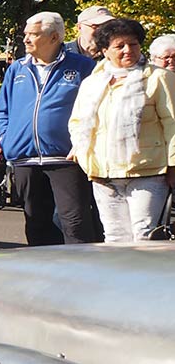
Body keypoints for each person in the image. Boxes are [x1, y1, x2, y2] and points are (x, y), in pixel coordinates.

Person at [0, 11, 100, 245]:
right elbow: (2, 110)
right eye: (25, 34)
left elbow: (96, 110)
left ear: (54, 37)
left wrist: (81, 144)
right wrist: (8, 139)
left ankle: (83, 276)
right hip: (24, 158)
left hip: (66, 158)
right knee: (36, 223)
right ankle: (44, 277)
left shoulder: (83, 67)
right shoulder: (17, 68)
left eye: (33, 34)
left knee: (75, 222)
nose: (26, 39)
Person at [68, 18, 175, 242]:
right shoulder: (93, 82)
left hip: (147, 172)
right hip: (103, 174)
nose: (128, 50)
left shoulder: (159, 78)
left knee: (143, 237)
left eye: (134, 44)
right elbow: (77, 121)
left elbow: (172, 124)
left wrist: (173, 166)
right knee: (115, 237)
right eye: (120, 46)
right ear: (105, 51)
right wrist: (83, 154)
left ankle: (145, 278)